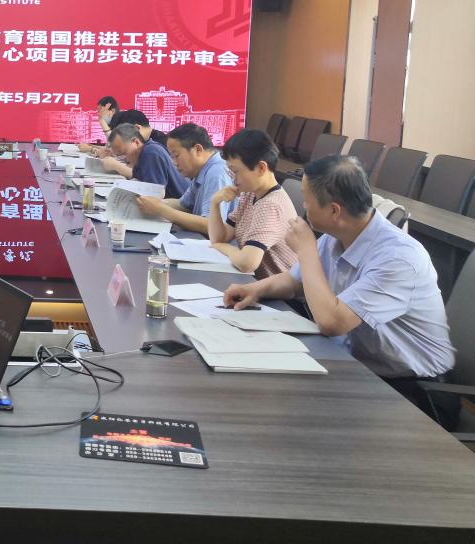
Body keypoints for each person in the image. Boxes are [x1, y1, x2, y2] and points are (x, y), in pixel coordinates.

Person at [223, 155, 458, 427]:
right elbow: (294, 281)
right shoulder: (338, 236)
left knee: (294, 418)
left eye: (307, 201)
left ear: (334, 211)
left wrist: (306, 249)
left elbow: (332, 322)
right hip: (363, 368)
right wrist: (254, 289)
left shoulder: (399, 258)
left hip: (418, 393)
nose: (303, 207)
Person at [208, 128, 297, 277]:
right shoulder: (250, 193)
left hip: (278, 289)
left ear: (261, 168)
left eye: (235, 171)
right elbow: (219, 238)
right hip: (256, 282)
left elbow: (247, 263)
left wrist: (225, 248)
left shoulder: (271, 205)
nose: (234, 179)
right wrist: (215, 203)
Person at [135, 122, 231, 235]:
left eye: (176, 156)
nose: (174, 163)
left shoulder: (216, 173)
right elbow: (183, 204)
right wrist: (152, 203)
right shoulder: (201, 171)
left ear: (198, 149)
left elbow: (212, 225)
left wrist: (161, 210)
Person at [100, 123, 189, 199]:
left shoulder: (151, 153)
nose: (124, 159)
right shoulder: (141, 155)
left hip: (182, 208)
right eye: (118, 156)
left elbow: (153, 197)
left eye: (123, 153)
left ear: (136, 142)